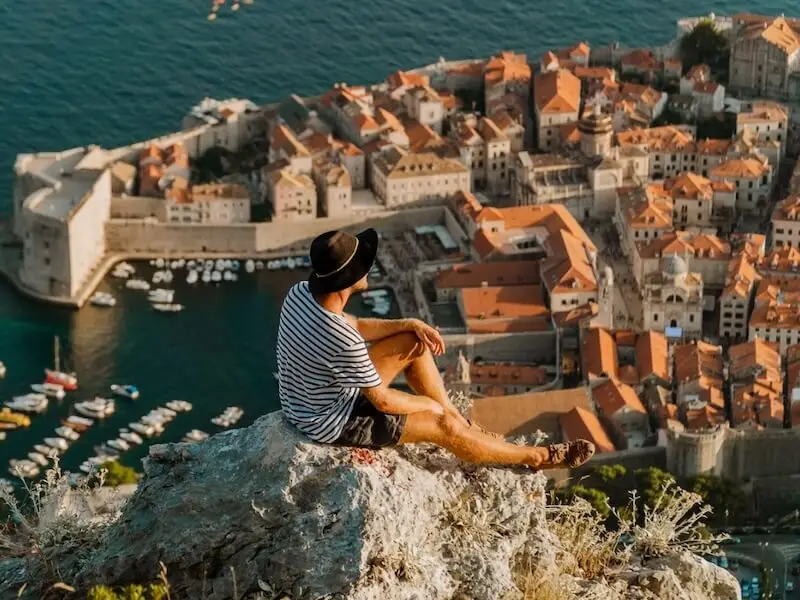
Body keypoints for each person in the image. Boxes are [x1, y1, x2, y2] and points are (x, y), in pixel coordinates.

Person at [276, 228, 595, 470]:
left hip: (307, 400)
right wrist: (431, 407)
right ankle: (537, 457)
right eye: (364, 265)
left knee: (415, 341)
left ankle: (458, 418)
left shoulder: (300, 293)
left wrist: (410, 323)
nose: (369, 268)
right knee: (443, 426)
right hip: (332, 421)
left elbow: (356, 325)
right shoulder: (341, 338)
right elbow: (382, 401)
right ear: (350, 279)